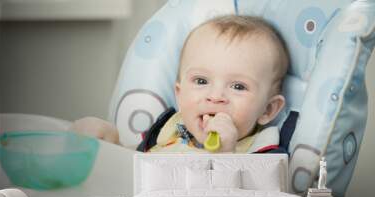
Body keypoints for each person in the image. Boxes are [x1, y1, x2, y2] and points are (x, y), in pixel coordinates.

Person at [71, 15, 291, 153]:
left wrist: (226, 155)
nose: (215, 96)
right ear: (179, 93)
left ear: (268, 109)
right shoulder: (167, 131)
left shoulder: (263, 152)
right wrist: (109, 144)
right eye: (201, 81)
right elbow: (136, 168)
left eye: (238, 86)